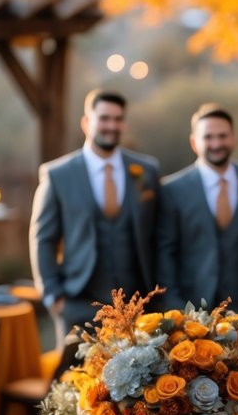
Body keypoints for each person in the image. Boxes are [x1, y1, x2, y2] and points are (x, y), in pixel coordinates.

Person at [29, 89, 160, 338]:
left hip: (139, 308)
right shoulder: (58, 175)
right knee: (74, 365)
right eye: (104, 118)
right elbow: (43, 238)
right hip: (78, 303)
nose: (111, 126)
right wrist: (54, 297)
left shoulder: (146, 171)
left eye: (118, 119)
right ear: (86, 122)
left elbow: (159, 234)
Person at [157, 102, 238, 312]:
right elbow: (165, 253)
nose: (216, 143)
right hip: (194, 310)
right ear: (194, 142)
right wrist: (175, 307)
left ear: (234, 138)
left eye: (222, 136)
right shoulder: (172, 190)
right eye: (208, 137)